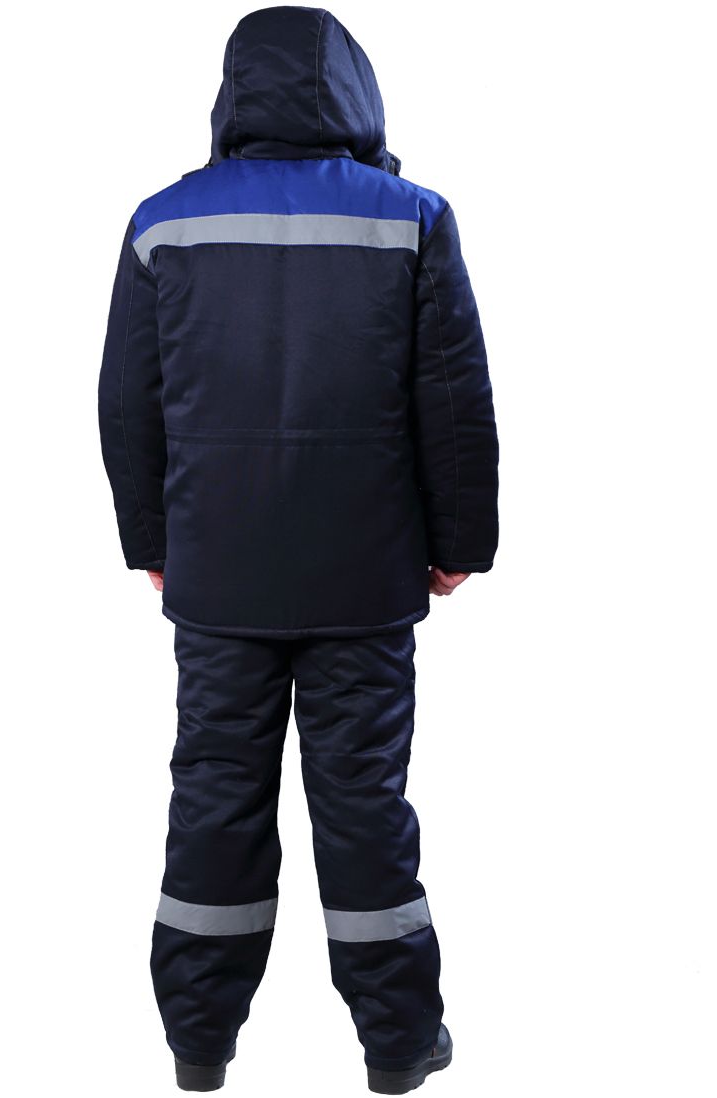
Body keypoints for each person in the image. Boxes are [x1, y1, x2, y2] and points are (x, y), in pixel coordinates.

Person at [98, 6, 498, 1092]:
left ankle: (197, 1042)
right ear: (356, 94)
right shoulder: (411, 217)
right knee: (364, 805)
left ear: (232, 93)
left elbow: (127, 404)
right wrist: (460, 542)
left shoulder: (163, 222)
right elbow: (452, 399)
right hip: (365, 574)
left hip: (219, 575)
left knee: (214, 798)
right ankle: (399, 1045)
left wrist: (153, 544)